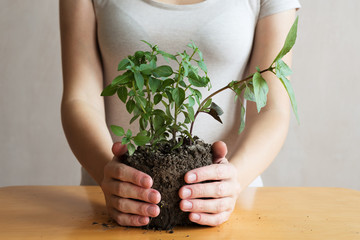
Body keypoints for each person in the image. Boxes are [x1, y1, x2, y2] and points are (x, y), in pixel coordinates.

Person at [59, 0, 300, 227]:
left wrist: (232, 182)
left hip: (228, 206)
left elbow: (271, 107)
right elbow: (79, 97)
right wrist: (108, 175)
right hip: (114, 204)